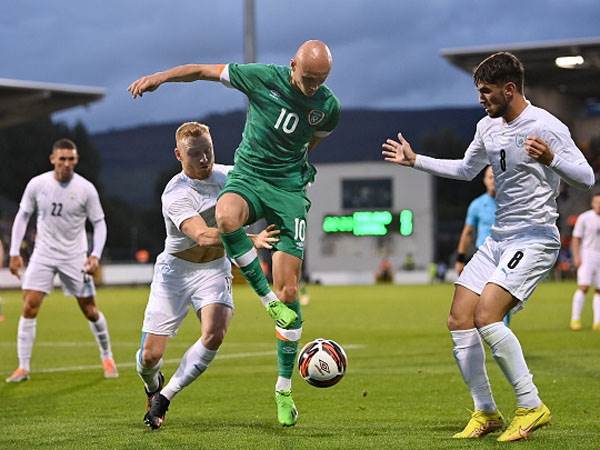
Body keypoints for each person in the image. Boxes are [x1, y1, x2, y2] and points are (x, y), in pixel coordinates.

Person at [382, 52, 594, 442]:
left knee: (487, 314)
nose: (481, 98)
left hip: (535, 237)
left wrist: (552, 159)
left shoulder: (547, 126)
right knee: (459, 318)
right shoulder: (487, 127)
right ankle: (486, 412)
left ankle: (531, 405)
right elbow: (466, 169)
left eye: (486, 91)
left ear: (509, 89)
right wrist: (416, 162)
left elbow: (586, 176)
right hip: (499, 239)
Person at [128, 40, 341, 426]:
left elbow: (309, 143)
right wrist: (160, 78)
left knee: (287, 293)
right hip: (179, 267)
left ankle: (282, 389)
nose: (312, 88)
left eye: (320, 81)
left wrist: (296, 168)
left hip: (284, 196)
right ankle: (264, 302)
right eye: (307, 79)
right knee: (227, 218)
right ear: (293, 64)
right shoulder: (261, 78)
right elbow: (201, 69)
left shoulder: (328, 108)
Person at [136, 122, 279, 429]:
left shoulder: (228, 177)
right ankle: (152, 386)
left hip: (214, 270)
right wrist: (251, 239)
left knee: (214, 333)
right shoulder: (176, 193)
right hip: (175, 272)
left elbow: (266, 184)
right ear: (178, 154)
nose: (204, 159)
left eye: (208, 151)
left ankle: (166, 397)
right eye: (194, 153)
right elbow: (201, 235)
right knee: (149, 357)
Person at [6, 138, 117, 382]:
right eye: (62, 158)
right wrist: (14, 251)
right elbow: (23, 216)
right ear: (53, 159)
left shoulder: (86, 189)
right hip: (43, 253)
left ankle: (107, 356)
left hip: (75, 256)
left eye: (71, 159)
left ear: (76, 160)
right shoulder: (37, 184)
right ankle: (23, 367)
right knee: (29, 305)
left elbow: (99, 223)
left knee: (89, 310)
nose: (66, 163)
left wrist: (95, 255)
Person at [455, 167, 511, 326]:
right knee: (481, 300)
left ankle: (500, 338)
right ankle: (498, 338)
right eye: (490, 177)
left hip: (506, 255)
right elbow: (467, 233)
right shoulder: (477, 205)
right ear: (485, 180)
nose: (493, 180)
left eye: (496, 177)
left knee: (499, 300)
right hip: (484, 257)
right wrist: (460, 258)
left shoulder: (510, 203)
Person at [569, 192, 600, 331]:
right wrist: (576, 256)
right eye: (597, 202)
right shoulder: (585, 217)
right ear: (592, 203)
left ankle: (597, 322)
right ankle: (575, 319)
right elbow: (576, 238)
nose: (598, 205)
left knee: (599, 290)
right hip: (587, 255)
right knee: (584, 286)